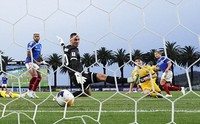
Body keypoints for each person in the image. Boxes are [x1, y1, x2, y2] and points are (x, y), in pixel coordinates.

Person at [57, 33, 135, 97]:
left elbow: (63, 48)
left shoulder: (67, 48)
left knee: (87, 93)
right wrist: (77, 73)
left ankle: (65, 96)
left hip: (75, 76)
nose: (77, 41)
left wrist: (62, 43)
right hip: (79, 75)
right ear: (71, 40)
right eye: (75, 39)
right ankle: (129, 80)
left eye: (78, 39)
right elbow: (73, 62)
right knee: (102, 76)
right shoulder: (73, 50)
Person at [25, 32, 49, 98]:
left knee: (39, 77)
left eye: (38, 36)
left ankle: (33, 92)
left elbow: (39, 55)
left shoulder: (40, 45)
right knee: (35, 76)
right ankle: (28, 91)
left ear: (39, 37)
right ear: (33, 37)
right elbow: (28, 54)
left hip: (35, 63)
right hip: (29, 62)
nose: (37, 37)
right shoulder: (31, 43)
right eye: (35, 36)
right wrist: (36, 62)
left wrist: (44, 62)